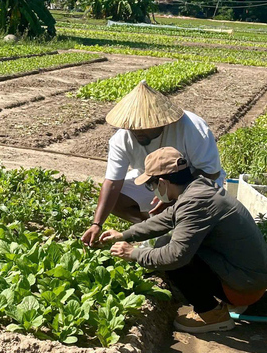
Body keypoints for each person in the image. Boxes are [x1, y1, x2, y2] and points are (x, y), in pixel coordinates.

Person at [99, 147, 267, 333]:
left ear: (162, 183)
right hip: (252, 279)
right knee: (172, 243)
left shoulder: (195, 202)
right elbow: (166, 219)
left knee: (169, 250)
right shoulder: (200, 188)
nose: (153, 190)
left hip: (245, 289)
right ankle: (226, 302)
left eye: (151, 185)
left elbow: (175, 257)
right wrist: (124, 235)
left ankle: (213, 315)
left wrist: (133, 253)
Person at [82, 80, 224, 247]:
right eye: (133, 127)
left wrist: (172, 197)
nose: (137, 132)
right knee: (117, 199)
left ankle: (175, 225)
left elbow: (211, 172)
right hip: (153, 181)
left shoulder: (191, 127)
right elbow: (112, 183)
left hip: (195, 182)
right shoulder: (122, 139)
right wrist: (96, 224)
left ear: (161, 121)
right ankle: (152, 228)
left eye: (144, 127)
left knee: (190, 220)